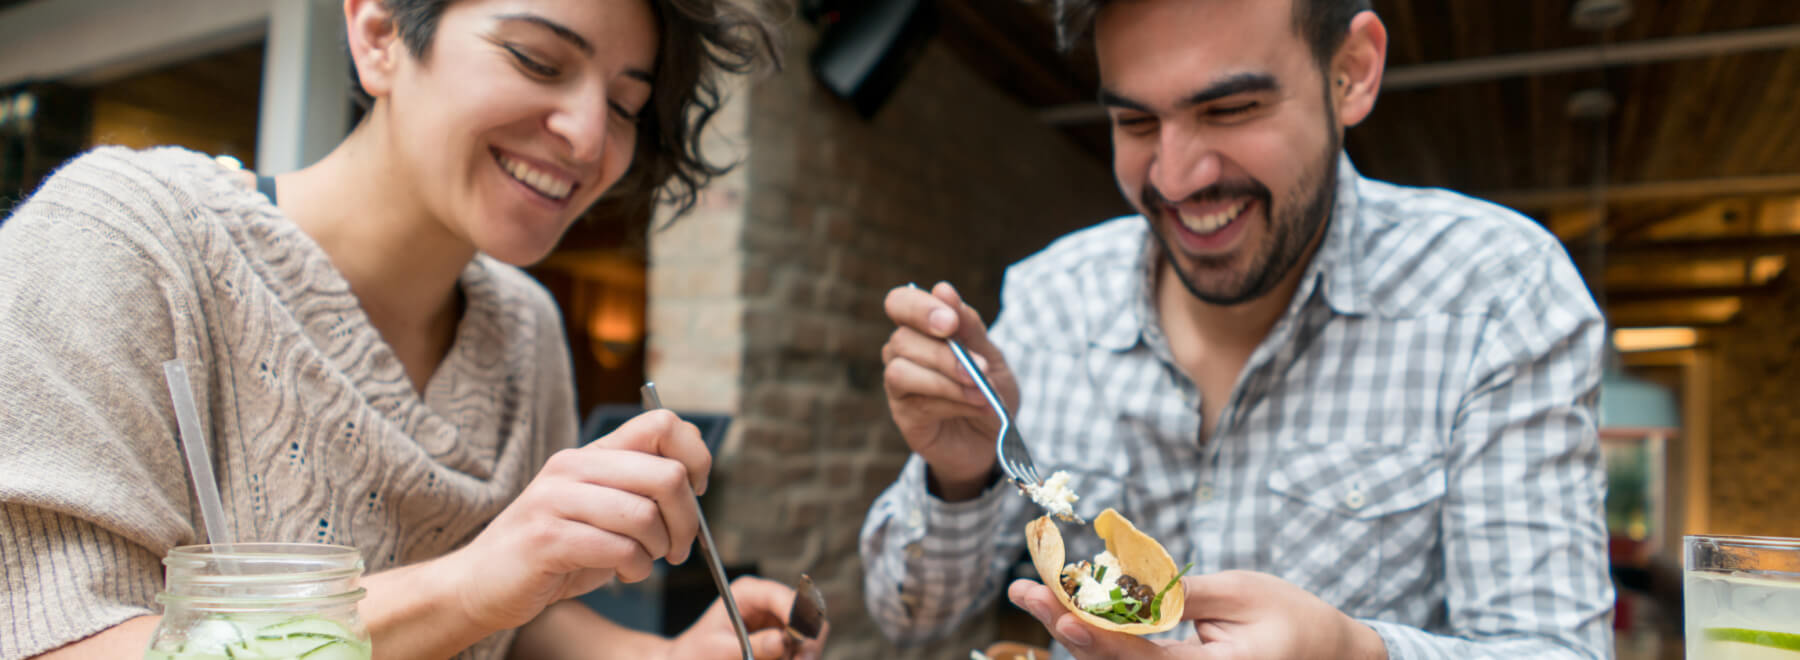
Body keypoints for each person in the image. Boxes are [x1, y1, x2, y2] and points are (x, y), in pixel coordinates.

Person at [0, 1, 820, 659]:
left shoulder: (526, 329)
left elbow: (512, 619)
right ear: (379, 32)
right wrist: (472, 579)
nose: (589, 135)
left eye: (625, 103)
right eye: (538, 60)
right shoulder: (123, 240)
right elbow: (57, 640)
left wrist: (659, 657)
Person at [860, 0, 1613, 658]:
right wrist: (962, 476)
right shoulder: (1051, 298)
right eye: (1135, 121)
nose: (1176, 179)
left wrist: (1356, 655)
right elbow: (909, 617)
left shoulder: (1496, 294)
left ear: (1350, 71)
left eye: (1229, 109)